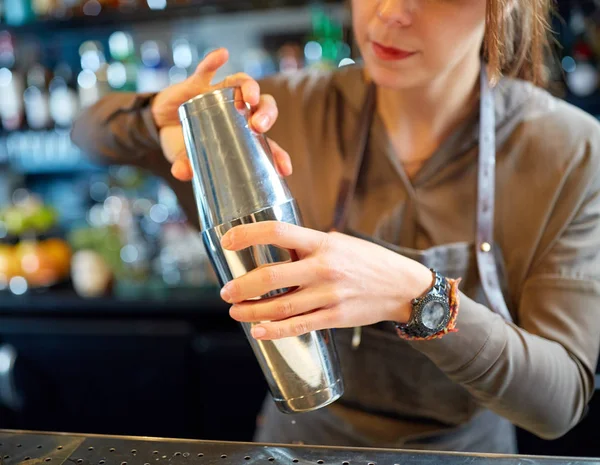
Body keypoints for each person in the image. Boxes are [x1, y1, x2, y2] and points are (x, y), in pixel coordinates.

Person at [71, 0, 600, 455]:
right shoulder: (285, 111)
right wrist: (157, 118)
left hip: (464, 457)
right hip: (298, 449)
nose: (390, 13)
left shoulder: (569, 151)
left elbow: (560, 402)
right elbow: (89, 131)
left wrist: (420, 297)